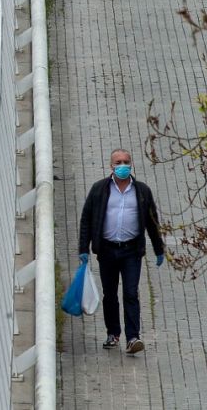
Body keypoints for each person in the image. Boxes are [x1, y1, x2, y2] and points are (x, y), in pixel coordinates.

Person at [78, 148, 166, 354]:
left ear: (131, 164)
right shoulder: (99, 189)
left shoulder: (141, 191)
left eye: (126, 161)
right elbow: (87, 219)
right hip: (107, 250)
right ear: (111, 166)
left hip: (131, 251)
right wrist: (84, 248)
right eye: (118, 162)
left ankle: (133, 337)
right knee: (110, 294)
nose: (122, 166)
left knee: (130, 293)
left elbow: (152, 221)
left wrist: (158, 248)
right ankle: (113, 333)